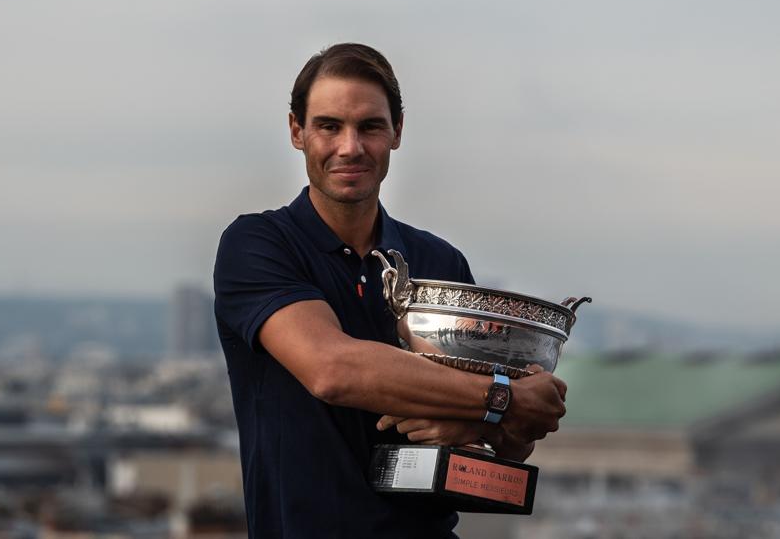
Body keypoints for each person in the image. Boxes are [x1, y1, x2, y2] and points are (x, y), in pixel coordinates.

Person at [213, 43, 568, 537]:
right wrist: (503, 399)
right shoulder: (258, 244)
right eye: (329, 125)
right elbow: (332, 369)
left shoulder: (440, 263)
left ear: (397, 132)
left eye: (370, 127)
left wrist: (489, 420)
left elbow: (506, 447)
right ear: (297, 131)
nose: (350, 147)